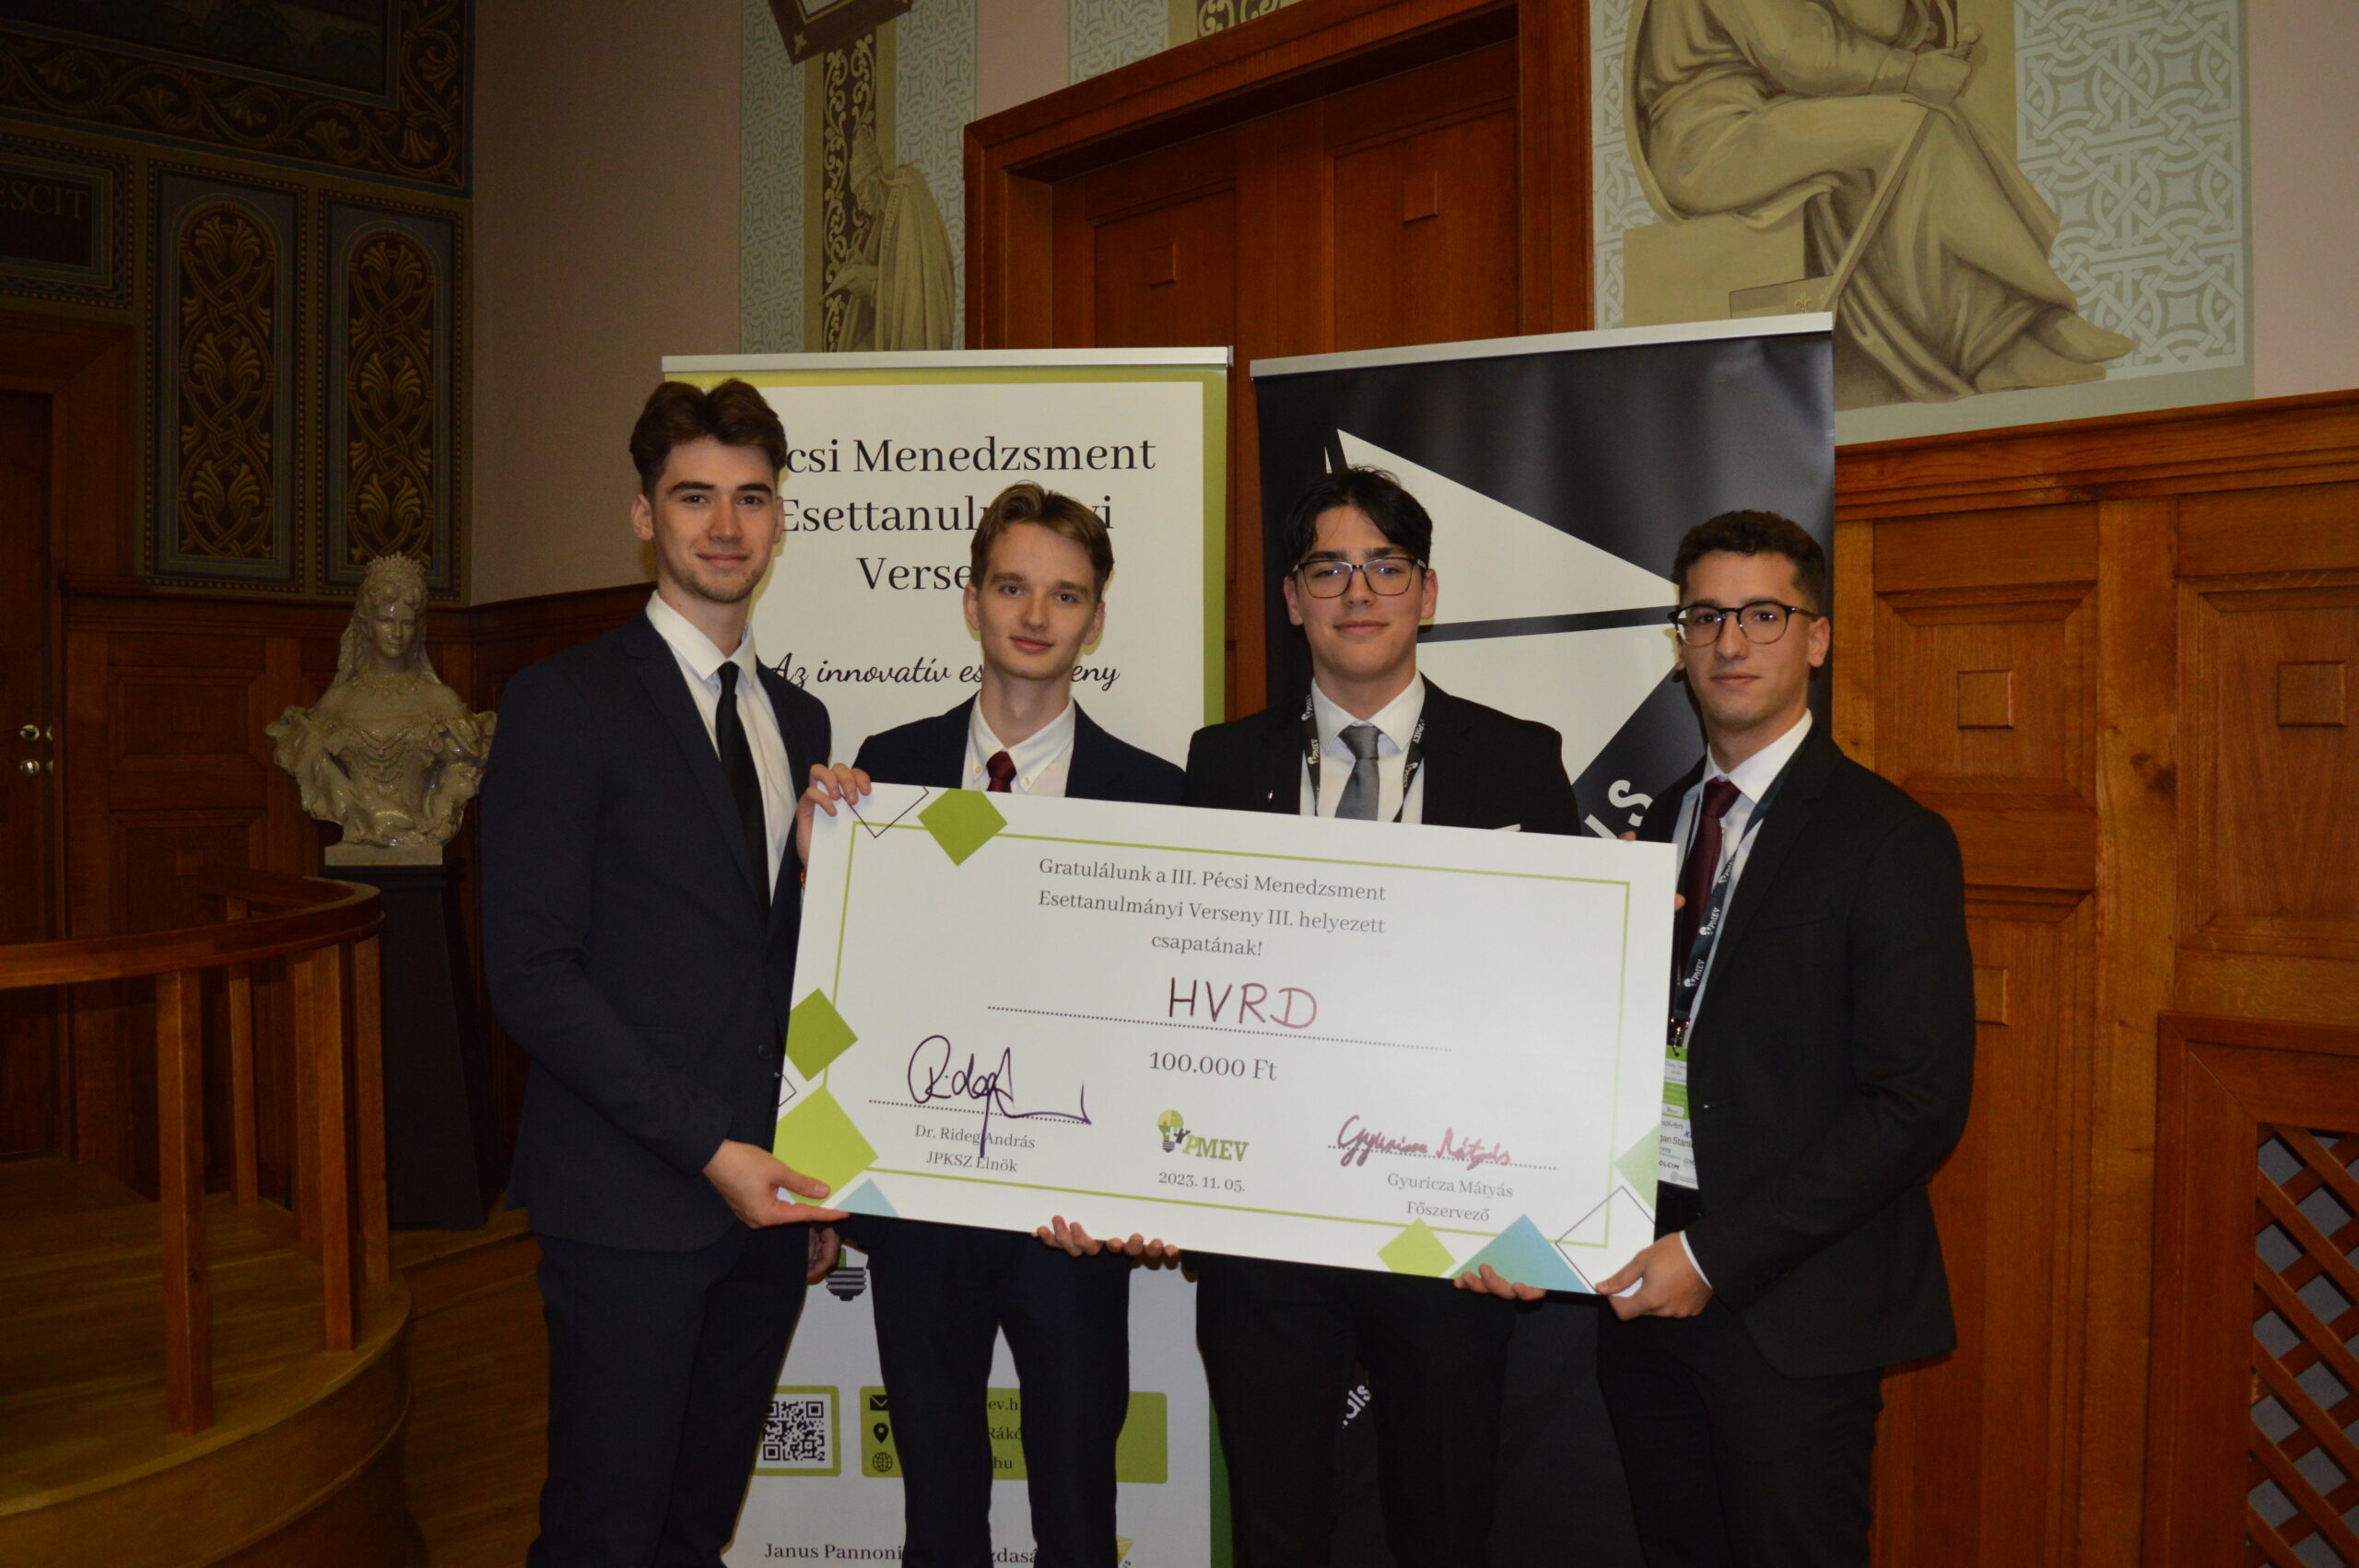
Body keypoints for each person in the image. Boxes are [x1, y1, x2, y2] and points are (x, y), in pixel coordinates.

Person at [1461, 509, 1975, 1565]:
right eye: (1704, 617)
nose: (1730, 642)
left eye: (1761, 615)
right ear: (1679, 641)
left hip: (1791, 1311)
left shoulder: (1890, 839)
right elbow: (1602, 1057)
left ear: (1815, 638)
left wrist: (1712, 1254)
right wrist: (1528, 1217)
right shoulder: (1657, 825)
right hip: (1645, 1288)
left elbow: (1917, 1101)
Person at [1181, 466, 1583, 1567]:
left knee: (1442, 1528)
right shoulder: (1220, 764)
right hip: (1267, 1228)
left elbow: (1559, 1000)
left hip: (1448, 1228)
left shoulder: (1520, 758)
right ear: (1291, 598)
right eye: (1328, 569)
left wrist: (1540, 1204)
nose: (1357, 593)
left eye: (1385, 567)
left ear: (1427, 591)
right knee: (1276, 1533)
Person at [481, 379, 851, 1568]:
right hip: (629, 1201)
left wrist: (801, 1160)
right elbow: (532, 975)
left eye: (752, 497)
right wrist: (710, 1150)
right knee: (605, 1531)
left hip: (766, 1207)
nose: (726, 525)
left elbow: (783, 963)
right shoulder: (562, 701)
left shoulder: (800, 719)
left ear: (779, 518)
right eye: (695, 497)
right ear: (645, 515)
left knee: (697, 1528)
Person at [809, 484, 1182, 1567]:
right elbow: (839, 978)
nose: (1035, 614)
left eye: (1065, 595)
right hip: (920, 1214)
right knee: (936, 1513)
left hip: (1073, 1223)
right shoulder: (881, 771)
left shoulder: (1156, 797)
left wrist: (1153, 1186)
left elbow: (1165, 1018)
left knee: (1077, 1510)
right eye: (1012, 587)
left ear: (1095, 621)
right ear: (971, 602)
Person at [1631, 0, 2132, 406]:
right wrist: (1910, 73)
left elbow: (1877, 24)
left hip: (1766, 116)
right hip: (1708, 139)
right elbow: (1799, 51)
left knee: (1931, 119)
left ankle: (2032, 317)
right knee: (1910, 128)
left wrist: (1918, 61)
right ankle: (1993, 345)